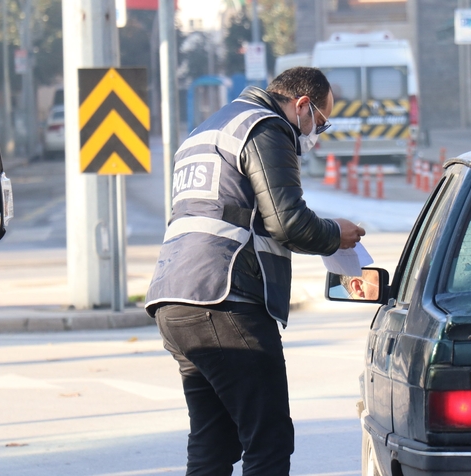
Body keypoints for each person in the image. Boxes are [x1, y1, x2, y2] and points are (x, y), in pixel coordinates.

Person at [145, 67, 365, 476]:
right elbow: (288, 223)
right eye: (320, 121)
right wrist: (337, 234)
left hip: (175, 296)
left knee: (213, 441)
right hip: (225, 298)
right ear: (302, 105)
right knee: (269, 439)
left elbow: (241, 214)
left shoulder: (206, 130)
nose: (315, 134)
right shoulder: (266, 127)